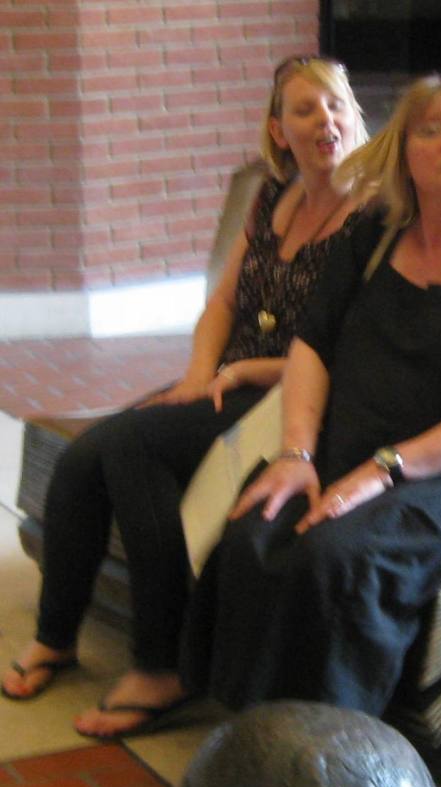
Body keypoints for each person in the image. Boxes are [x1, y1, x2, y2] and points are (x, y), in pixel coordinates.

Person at [179, 74, 441, 718]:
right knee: (253, 531)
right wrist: (297, 454)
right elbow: (311, 346)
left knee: (335, 556)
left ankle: (333, 737)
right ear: (403, 155)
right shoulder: (370, 240)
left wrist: (383, 469)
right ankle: (252, 729)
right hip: (346, 448)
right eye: (431, 130)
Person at [2, 57, 369, 739]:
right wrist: (198, 377)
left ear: (355, 118)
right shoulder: (274, 197)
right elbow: (223, 303)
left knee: (132, 448)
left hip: (290, 395)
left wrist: (245, 372)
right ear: (278, 131)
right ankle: (56, 636)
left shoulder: (370, 216)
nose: (326, 120)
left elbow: (347, 347)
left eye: (336, 106)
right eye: (306, 109)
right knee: (85, 457)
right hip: (229, 380)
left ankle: (163, 663)